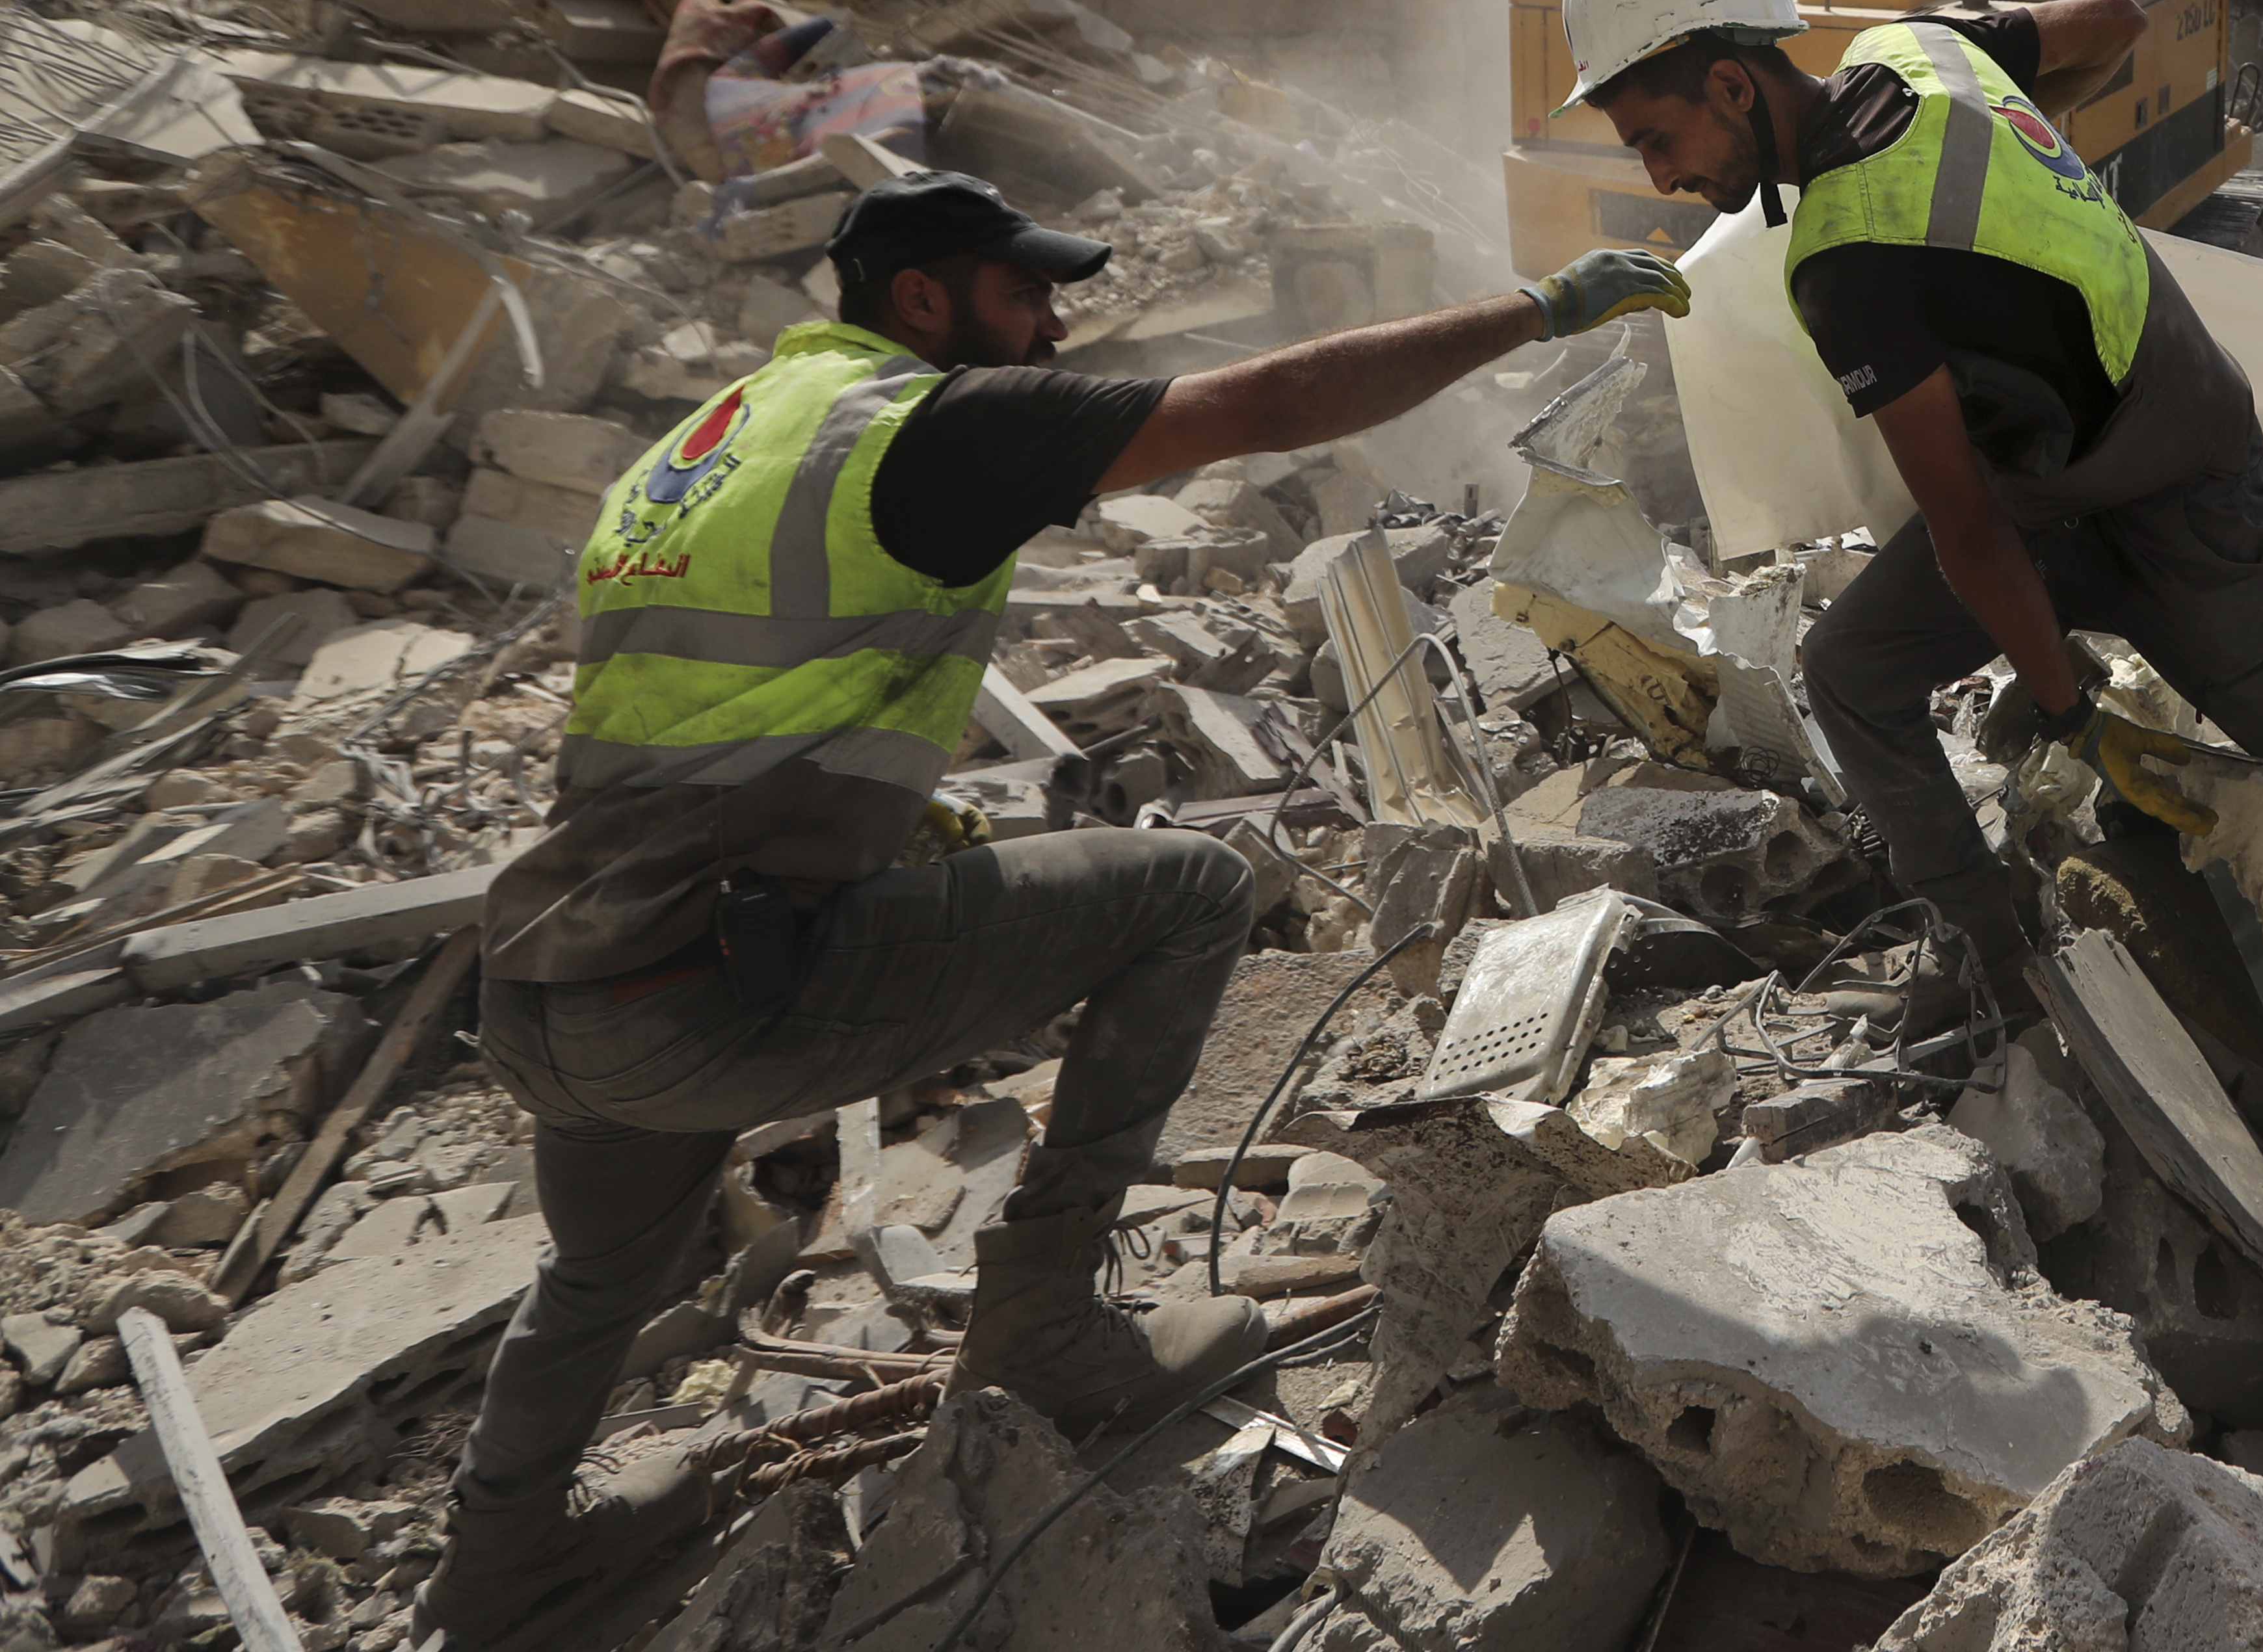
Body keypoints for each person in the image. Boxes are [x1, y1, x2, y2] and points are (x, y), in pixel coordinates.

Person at [418, 173, 1692, 1644]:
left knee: (596, 1270)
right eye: (1023, 295)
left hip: (555, 983)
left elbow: (705, 722)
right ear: (922, 301)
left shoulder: (701, 451)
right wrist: (1535, 307)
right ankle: (1041, 1336)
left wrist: (870, 833)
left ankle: (497, 1559)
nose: (1052, 324)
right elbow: (1262, 404)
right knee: (1192, 893)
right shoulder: (921, 427)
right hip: (719, 988)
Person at [1565, 0, 2263, 983]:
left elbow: (1965, 529)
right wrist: (2034, 135)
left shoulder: (1842, 259)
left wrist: (2072, 714)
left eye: (1654, 138)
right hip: (2062, 483)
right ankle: (1999, 960)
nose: (1656, 174)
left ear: (1730, 86)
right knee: (1848, 666)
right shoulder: (1917, 48)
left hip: (2182, 494)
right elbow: (2115, 19)